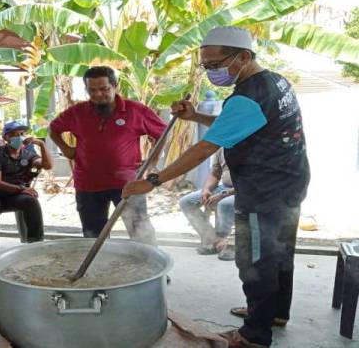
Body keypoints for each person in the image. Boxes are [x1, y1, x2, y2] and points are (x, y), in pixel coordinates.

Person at [122, 26, 310, 348]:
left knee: (255, 261)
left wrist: (153, 180)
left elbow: (204, 149)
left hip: (263, 192)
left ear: (244, 57)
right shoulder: (276, 82)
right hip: (291, 182)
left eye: (215, 65)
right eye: (205, 66)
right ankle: (274, 313)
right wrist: (195, 116)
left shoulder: (247, 97)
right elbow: (240, 123)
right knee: (279, 253)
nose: (211, 72)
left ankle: (254, 335)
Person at [49, 66, 167, 245]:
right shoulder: (77, 112)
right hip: (88, 185)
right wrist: (67, 149)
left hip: (128, 184)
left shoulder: (135, 110)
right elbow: (53, 129)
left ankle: (155, 272)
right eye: (92, 90)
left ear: (115, 86)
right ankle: (97, 271)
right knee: (93, 237)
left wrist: (152, 161)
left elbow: (163, 132)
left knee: (141, 233)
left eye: (104, 89)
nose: (98, 95)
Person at [0, 121, 52, 244]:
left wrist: (42, 145)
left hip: (14, 196)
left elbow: (47, 165)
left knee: (31, 201)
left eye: (21, 134)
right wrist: (21, 189)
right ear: (5, 137)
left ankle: (35, 243)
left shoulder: (29, 155)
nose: (19, 137)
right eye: (14, 134)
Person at [179, 147, 235, 261]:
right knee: (186, 202)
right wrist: (206, 190)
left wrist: (224, 194)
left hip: (244, 190)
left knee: (224, 204)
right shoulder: (222, 148)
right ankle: (212, 239)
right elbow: (215, 174)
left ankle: (228, 243)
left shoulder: (249, 145)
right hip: (224, 188)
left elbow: (252, 180)